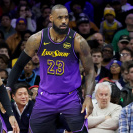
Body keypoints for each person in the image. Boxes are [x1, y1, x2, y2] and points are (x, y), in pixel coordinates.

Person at [7, 4, 95, 133]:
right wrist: (8, 87)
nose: (64, 21)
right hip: (45, 96)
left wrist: (88, 96)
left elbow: (90, 70)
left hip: (70, 97)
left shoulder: (78, 41)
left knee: (79, 130)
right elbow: (19, 64)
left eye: (66, 17)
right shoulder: (37, 39)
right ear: (51, 18)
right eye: (60, 18)